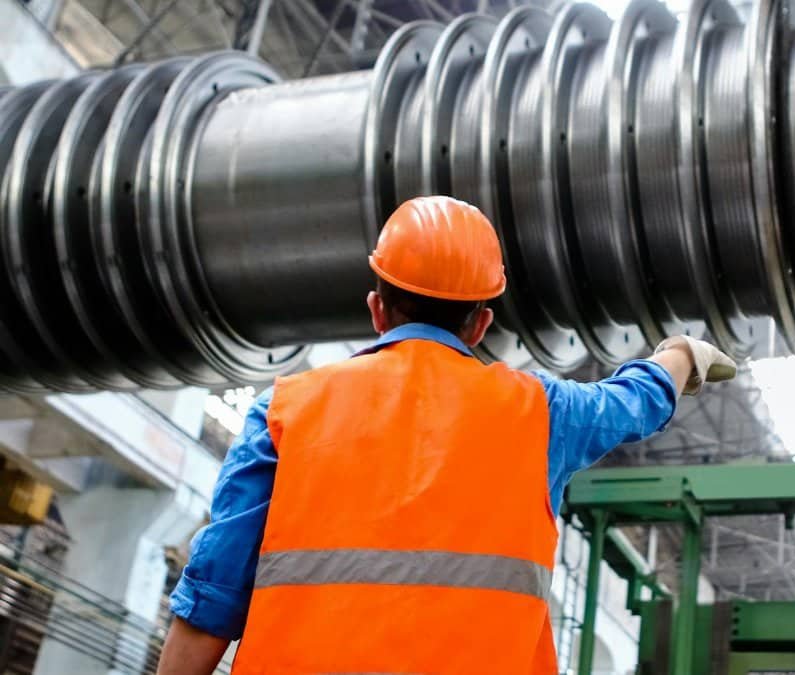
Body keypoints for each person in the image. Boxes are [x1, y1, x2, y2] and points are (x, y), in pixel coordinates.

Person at [156, 196, 736, 675]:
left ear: (377, 309)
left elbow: (211, 600)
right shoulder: (541, 412)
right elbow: (636, 402)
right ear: (481, 322)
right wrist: (680, 354)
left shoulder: (285, 411)